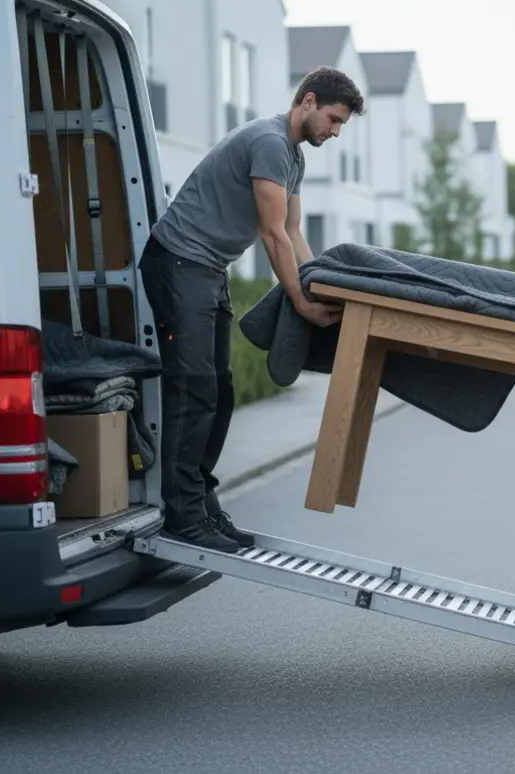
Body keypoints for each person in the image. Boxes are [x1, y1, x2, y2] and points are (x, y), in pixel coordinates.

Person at [139, 66, 364, 553]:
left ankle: (201, 503)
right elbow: (272, 234)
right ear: (307, 101)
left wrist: (322, 286)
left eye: (342, 124)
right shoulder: (267, 141)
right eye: (333, 118)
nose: (336, 131)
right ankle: (182, 515)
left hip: (208, 268)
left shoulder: (294, 158)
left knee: (219, 390)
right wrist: (302, 304)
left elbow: (297, 234)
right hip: (179, 262)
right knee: (193, 386)